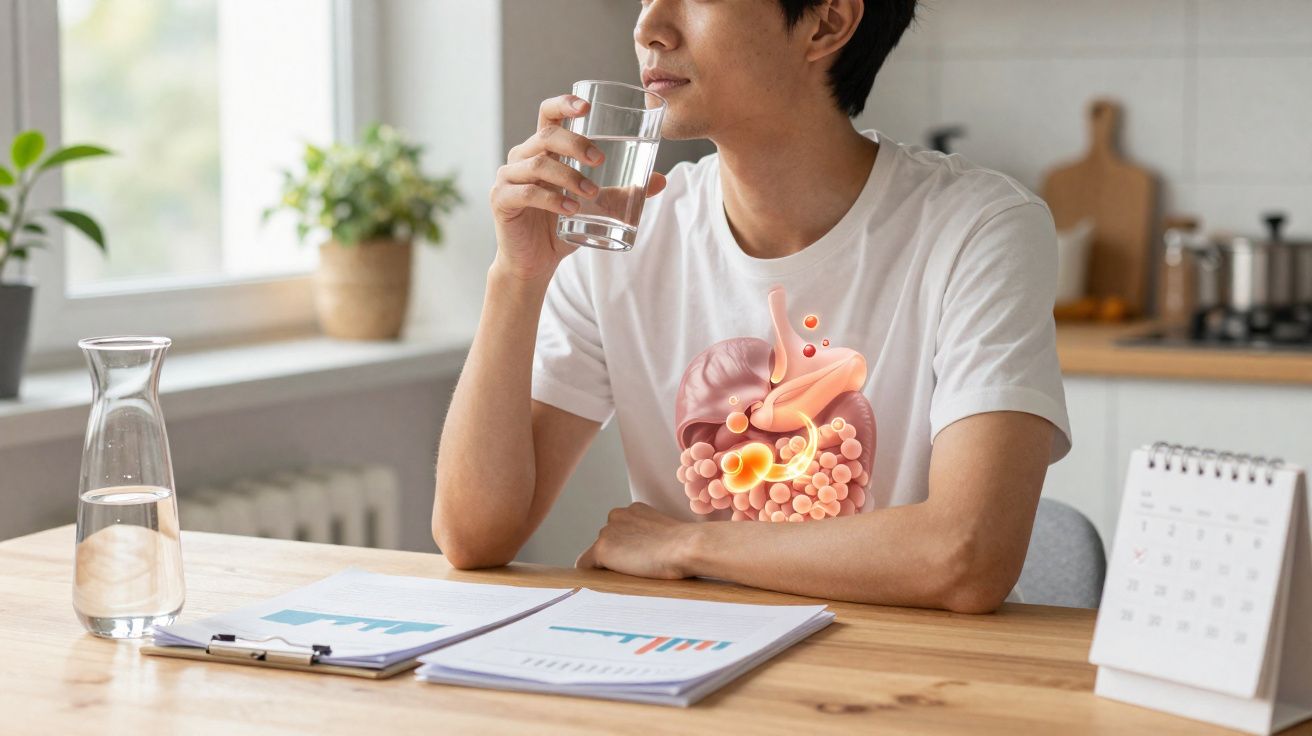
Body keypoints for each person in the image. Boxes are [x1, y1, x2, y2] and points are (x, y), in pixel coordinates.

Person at [432, 0, 1072, 614]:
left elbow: (967, 556)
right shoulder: (623, 236)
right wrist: (516, 276)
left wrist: (690, 542)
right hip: (686, 668)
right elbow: (474, 537)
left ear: (826, 22)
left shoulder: (981, 227)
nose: (649, 28)